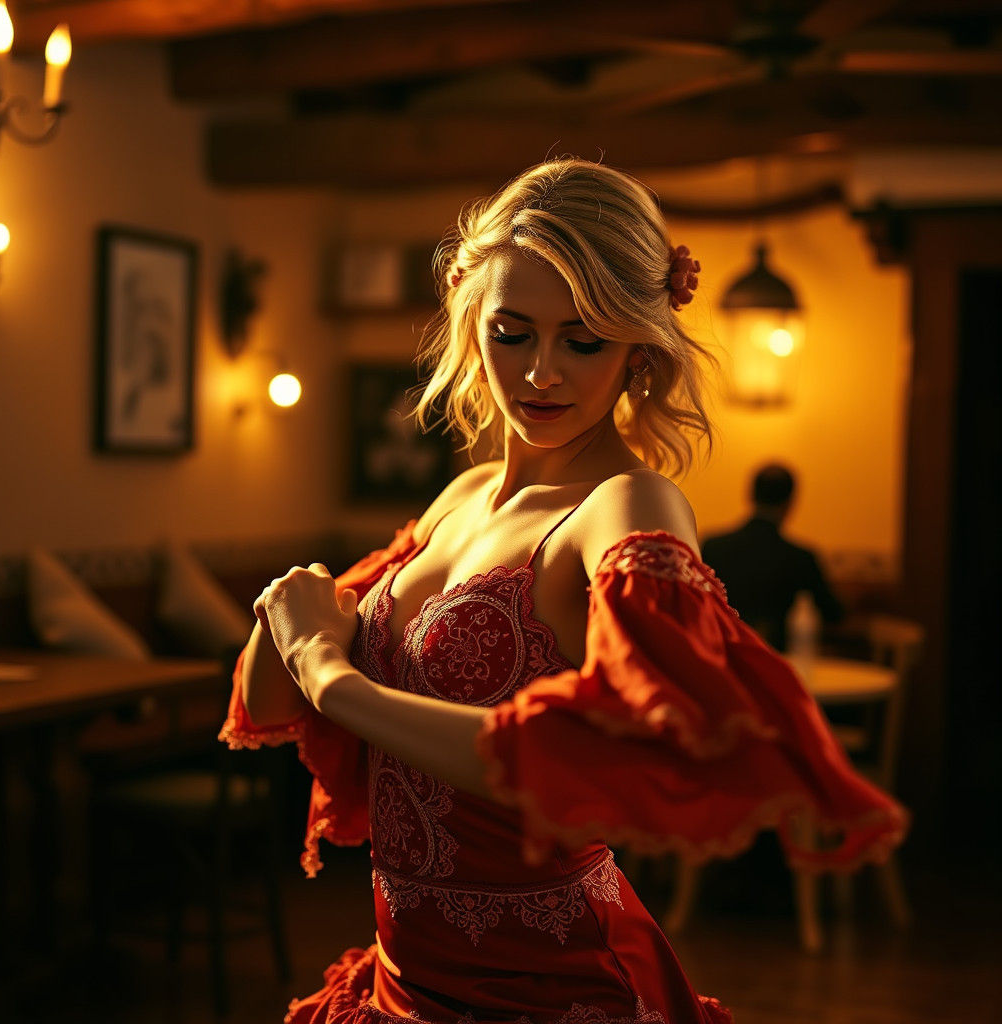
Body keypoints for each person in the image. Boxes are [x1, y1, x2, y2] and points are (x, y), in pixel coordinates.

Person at [221, 158, 907, 1024]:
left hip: (552, 990)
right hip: (403, 982)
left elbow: (593, 754)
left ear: (637, 348)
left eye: (582, 341)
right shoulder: (459, 498)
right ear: (474, 325)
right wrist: (290, 618)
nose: (542, 373)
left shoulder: (627, 504)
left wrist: (334, 677)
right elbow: (266, 698)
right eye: (512, 333)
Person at [701, 464, 844, 652]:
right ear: (790, 502)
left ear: (750, 495)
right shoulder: (800, 557)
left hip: (722, 654)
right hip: (779, 658)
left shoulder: (713, 547)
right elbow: (833, 613)